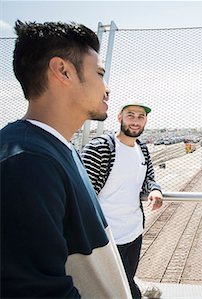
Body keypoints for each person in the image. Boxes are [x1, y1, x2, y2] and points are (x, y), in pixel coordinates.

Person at [0, 21, 132, 298]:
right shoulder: (27, 162)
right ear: (63, 71)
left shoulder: (57, 148)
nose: (107, 89)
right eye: (99, 73)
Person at [81, 100, 163, 299]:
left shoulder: (141, 149)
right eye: (130, 115)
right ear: (119, 118)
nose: (135, 121)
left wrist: (154, 190)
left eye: (140, 117)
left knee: (125, 284)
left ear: (145, 121)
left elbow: (148, 177)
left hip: (134, 233)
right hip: (106, 237)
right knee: (122, 291)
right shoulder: (101, 148)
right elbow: (80, 192)